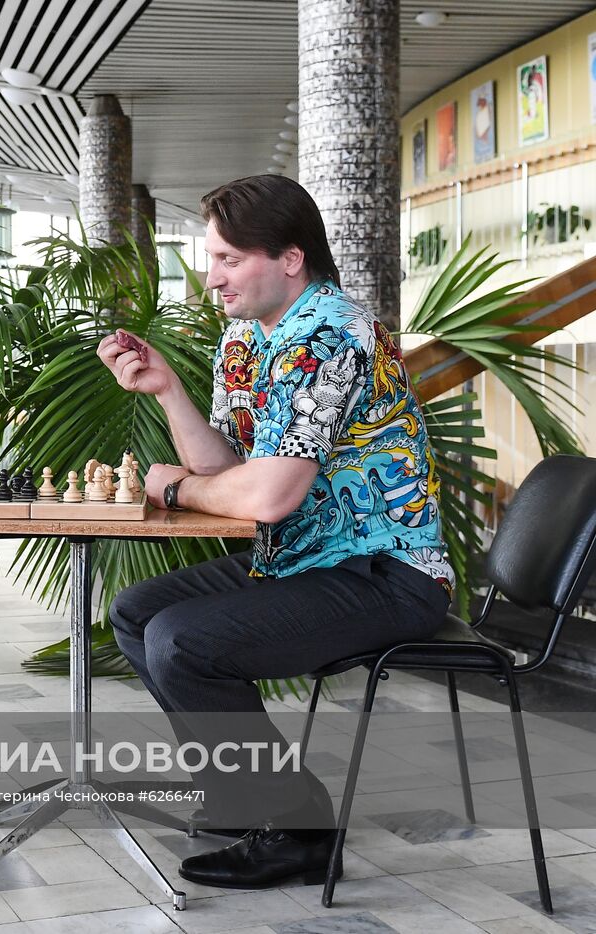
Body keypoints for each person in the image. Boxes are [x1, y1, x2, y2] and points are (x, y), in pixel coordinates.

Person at [97, 175, 454, 889]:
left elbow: (265, 498)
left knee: (182, 640)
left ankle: (299, 827)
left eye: (229, 259)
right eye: (212, 258)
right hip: (303, 558)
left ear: (290, 258)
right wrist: (166, 388)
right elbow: (229, 470)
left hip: (390, 575)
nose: (212, 277)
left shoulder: (333, 334)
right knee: (137, 615)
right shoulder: (245, 337)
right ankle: (244, 801)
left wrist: (177, 487)